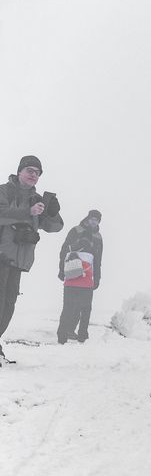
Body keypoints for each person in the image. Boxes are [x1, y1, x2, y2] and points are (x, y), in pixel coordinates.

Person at [0, 155, 64, 364]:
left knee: (8, 306)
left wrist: (53, 213)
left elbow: (55, 227)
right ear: (19, 171)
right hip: (1, 255)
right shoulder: (4, 191)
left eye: (37, 172)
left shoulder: (37, 200)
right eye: (29, 170)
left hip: (19, 261)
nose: (33, 174)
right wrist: (26, 212)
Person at [56, 210, 103, 343]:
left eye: (97, 220)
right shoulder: (76, 230)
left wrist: (97, 278)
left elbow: (98, 259)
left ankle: (77, 333)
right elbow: (65, 249)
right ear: (87, 218)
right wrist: (61, 269)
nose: (94, 221)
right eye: (92, 218)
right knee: (69, 307)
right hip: (73, 272)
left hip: (88, 276)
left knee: (84, 307)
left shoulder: (98, 237)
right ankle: (63, 334)